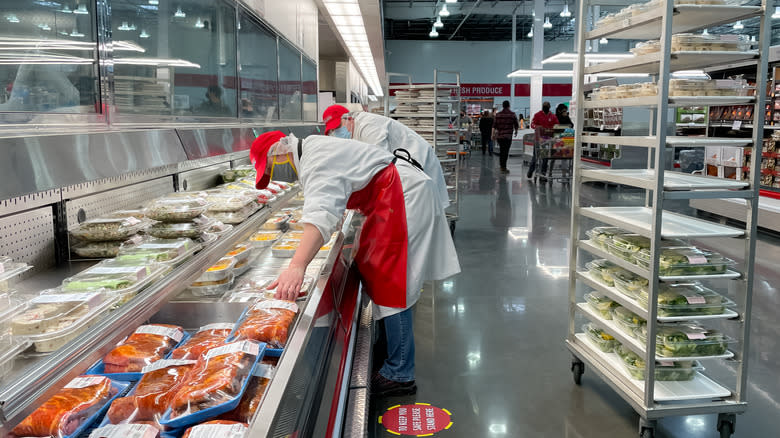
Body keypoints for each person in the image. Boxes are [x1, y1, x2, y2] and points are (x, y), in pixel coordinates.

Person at [252, 131, 460, 397]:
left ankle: (399, 373)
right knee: (381, 273)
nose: (276, 175)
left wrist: (297, 266)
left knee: (391, 282)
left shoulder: (314, 160)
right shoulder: (313, 149)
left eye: (271, 168)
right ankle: (392, 349)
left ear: (279, 153)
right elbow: (338, 190)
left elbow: (319, 216)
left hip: (399, 195)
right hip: (392, 195)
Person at [321, 104, 450, 212]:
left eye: (338, 127)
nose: (336, 133)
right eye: (332, 131)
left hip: (420, 165)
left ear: (349, 118)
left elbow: (378, 162)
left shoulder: (368, 125)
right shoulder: (355, 131)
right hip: (407, 173)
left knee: (424, 215)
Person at [527, 101, 559, 179]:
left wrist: (554, 129)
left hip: (548, 139)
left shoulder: (553, 116)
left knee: (545, 157)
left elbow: (557, 125)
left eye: (547, 107)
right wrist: (538, 127)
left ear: (549, 107)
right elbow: (532, 124)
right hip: (538, 139)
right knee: (536, 156)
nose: (545, 108)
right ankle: (531, 171)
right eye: (544, 106)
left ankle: (543, 174)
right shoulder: (537, 115)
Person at [492, 100, 519, 174]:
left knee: (501, 151)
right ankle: (504, 167)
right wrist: (516, 131)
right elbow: (516, 124)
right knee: (506, 151)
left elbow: (494, 126)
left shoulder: (498, 115)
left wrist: (493, 135)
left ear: (503, 106)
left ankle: (502, 166)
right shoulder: (512, 114)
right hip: (508, 136)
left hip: (500, 136)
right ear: (509, 105)